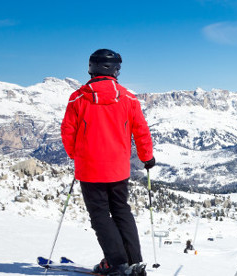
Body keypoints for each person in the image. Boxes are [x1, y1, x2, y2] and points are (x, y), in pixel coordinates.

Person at [61, 49, 155, 276]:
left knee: (100, 215)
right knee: (122, 211)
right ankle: (135, 263)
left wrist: (77, 156)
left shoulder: (78, 97)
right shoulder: (128, 98)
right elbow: (140, 131)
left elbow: (68, 132)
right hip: (118, 168)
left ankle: (116, 263)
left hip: (89, 168)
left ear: (92, 68)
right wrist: (147, 157)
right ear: (115, 70)